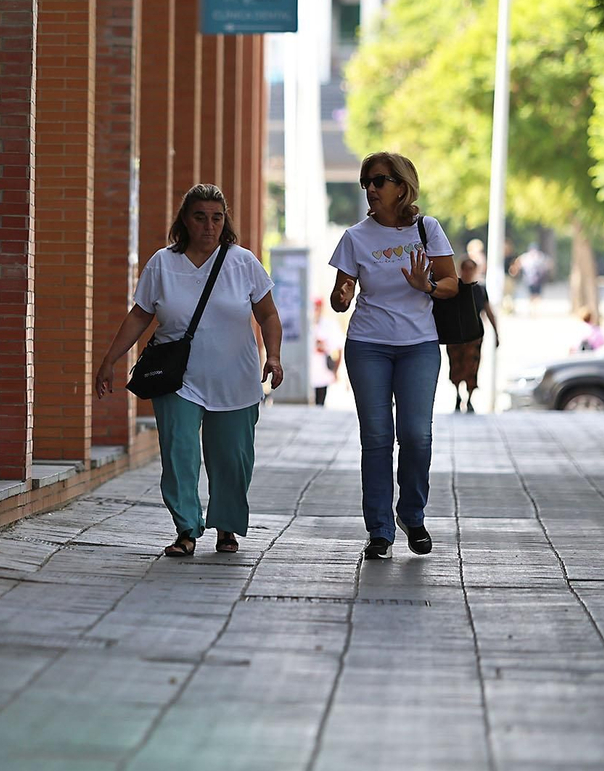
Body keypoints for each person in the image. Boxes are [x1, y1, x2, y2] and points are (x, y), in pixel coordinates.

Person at [94, 183, 284, 558]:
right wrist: (110, 359)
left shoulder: (242, 262)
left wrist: (274, 356)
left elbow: (268, 314)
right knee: (179, 453)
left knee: (232, 458)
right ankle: (186, 529)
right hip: (178, 380)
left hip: (235, 379)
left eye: (217, 218)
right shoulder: (162, 263)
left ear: (225, 221)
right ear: (185, 219)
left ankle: (227, 526)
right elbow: (140, 315)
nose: (209, 226)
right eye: (200, 217)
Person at [329, 152, 459, 561]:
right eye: (365, 181)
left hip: (419, 344)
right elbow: (340, 296)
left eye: (379, 180)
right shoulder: (355, 237)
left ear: (402, 187)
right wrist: (341, 295)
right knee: (377, 438)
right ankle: (380, 530)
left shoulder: (427, 228)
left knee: (417, 435)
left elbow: (452, 283)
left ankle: (412, 514)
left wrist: (428, 286)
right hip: (368, 344)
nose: (370, 188)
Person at [445, 258, 499, 413]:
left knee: (472, 367)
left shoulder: (479, 290)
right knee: (456, 366)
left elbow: (488, 311)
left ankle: (469, 398)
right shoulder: (454, 288)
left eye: (471, 269)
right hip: (455, 335)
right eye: (465, 269)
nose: (468, 272)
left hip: (474, 336)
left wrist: (496, 332)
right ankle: (457, 396)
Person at [310, 298, 344, 406]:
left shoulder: (329, 325)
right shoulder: (305, 324)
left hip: (322, 371)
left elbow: (338, 348)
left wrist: (336, 370)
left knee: (320, 401)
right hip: (308, 370)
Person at [511, 243, 550, 315]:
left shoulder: (539, 256)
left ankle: (535, 309)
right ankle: (533, 309)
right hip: (530, 280)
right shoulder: (527, 257)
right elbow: (518, 263)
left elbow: (548, 264)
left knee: (536, 295)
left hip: (537, 280)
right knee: (533, 294)